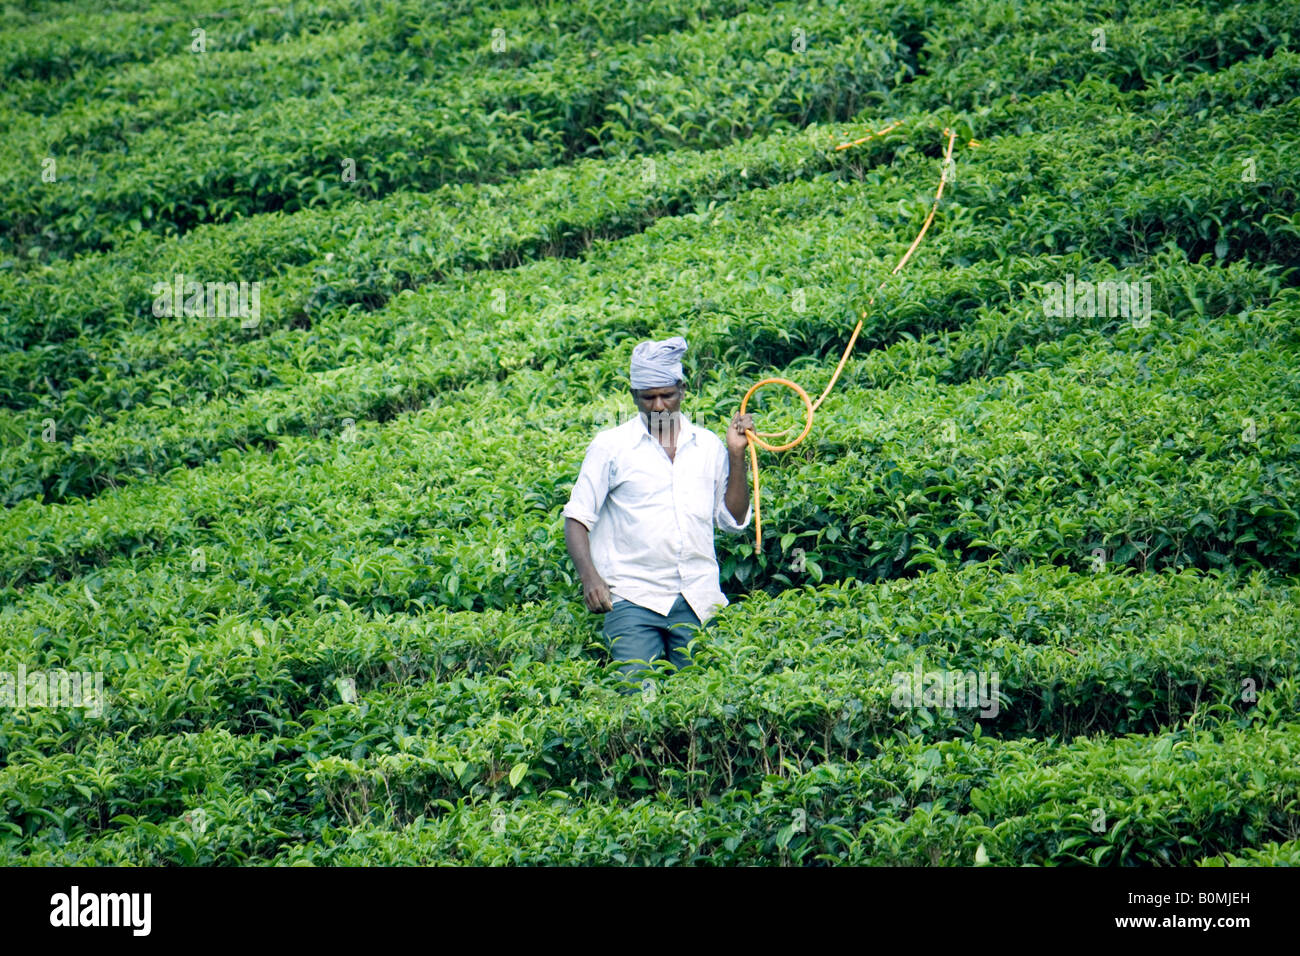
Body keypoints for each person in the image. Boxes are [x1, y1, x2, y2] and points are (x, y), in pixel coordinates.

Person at [562, 336, 754, 694]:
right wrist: (590, 579)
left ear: (682, 390)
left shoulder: (708, 446)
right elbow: (576, 519)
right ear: (633, 396)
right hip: (634, 597)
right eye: (648, 397)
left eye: (668, 394)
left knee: (706, 702)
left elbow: (733, 521)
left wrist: (737, 454)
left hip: (698, 597)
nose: (660, 405)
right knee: (638, 702)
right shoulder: (611, 447)